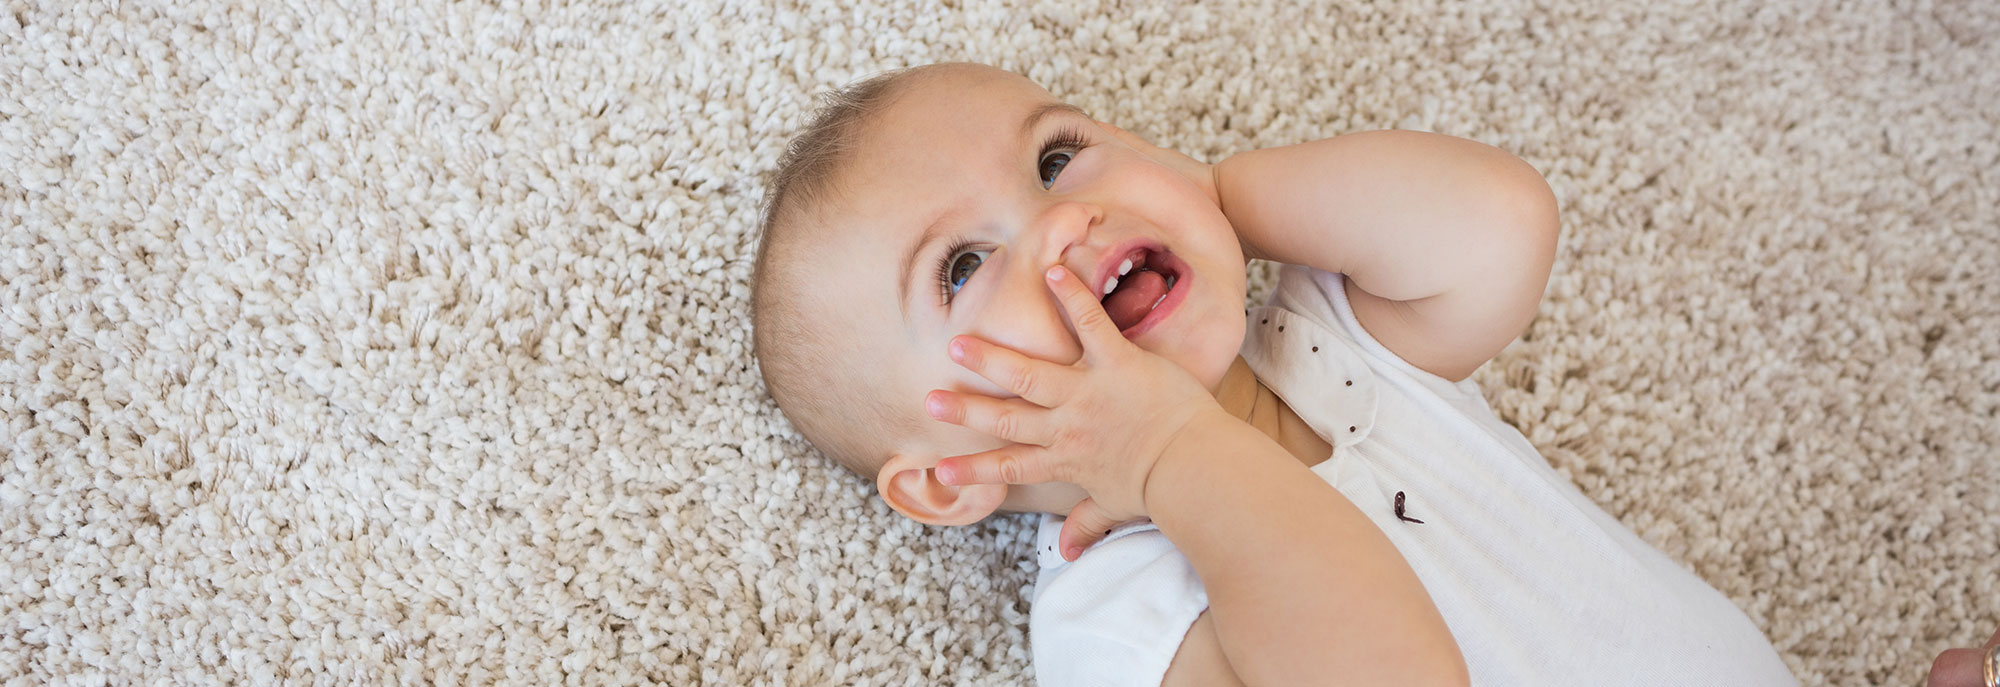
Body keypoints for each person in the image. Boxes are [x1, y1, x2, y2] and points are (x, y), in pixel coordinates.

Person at [751, 62, 1797, 685]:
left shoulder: (1325, 343)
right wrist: (1164, 453)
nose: (1065, 217)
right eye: (963, 267)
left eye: (1057, 159)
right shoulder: (1122, 624)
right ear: (948, 476)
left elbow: (1496, 223)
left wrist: (1201, 200)